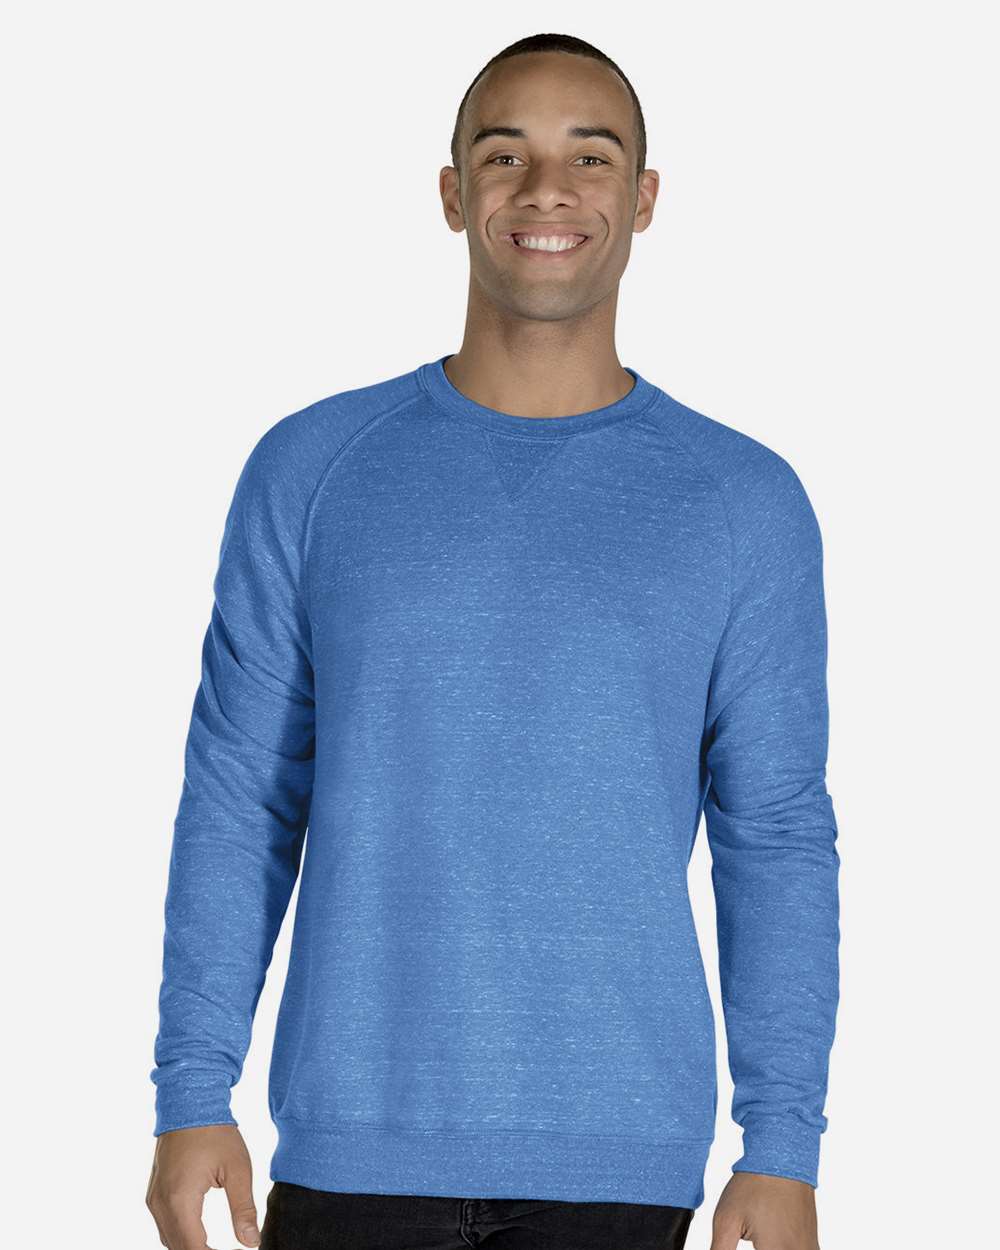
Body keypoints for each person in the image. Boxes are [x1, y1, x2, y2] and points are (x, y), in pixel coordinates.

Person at [145, 31, 839, 1250]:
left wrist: (781, 1142)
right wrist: (192, 1088)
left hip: (621, 1157)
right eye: (505, 153)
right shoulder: (311, 468)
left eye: (590, 155)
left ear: (644, 197)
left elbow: (774, 832)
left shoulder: (742, 502)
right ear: (453, 191)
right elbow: (241, 794)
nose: (546, 189)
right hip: (352, 1141)